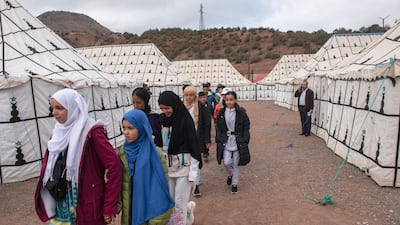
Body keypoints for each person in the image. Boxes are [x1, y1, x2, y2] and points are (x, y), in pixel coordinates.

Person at [35, 88, 122, 225]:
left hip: (88, 203)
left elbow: (114, 167)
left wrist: (109, 205)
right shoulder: (58, 133)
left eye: (59, 108)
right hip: (61, 204)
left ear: (73, 108)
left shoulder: (92, 132)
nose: (54, 113)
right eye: (52, 108)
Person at [117, 88, 173, 225]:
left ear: (142, 128)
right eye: (124, 128)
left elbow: (161, 191)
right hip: (129, 213)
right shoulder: (123, 152)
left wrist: (157, 221)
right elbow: (120, 185)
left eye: (130, 128)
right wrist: (113, 207)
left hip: (149, 214)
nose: (126, 132)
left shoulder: (154, 154)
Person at [158, 91, 202, 225]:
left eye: (167, 108)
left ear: (174, 105)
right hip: (168, 166)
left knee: (179, 202)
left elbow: (194, 147)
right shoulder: (161, 121)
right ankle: (188, 210)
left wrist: (193, 174)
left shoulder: (185, 121)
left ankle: (182, 218)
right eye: (162, 108)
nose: (165, 111)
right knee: (170, 200)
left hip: (184, 166)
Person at [215, 90, 250, 194]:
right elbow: (218, 127)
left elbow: (246, 126)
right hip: (226, 140)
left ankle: (235, 184)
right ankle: (230, 174)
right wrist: (219, 138)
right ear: (224, 100)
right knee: (226, 162)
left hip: (237, 141)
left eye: (231, 100)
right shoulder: (221, 112)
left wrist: (245, 139)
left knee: (235, 163)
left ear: (235, 100)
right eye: (227, 100)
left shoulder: (241, 112)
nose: (229, 102)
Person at [183, 86, 211, 196]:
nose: (189, 97)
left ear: (195, 95)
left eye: (191, 95)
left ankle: (196, 185)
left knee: (196, 161)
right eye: (186, 95)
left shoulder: (201, 107)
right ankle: (190, 181)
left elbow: (206, 124)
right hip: (185, 139)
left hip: (197, 138)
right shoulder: (181, 107)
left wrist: (207, 139)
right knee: (187, 162)